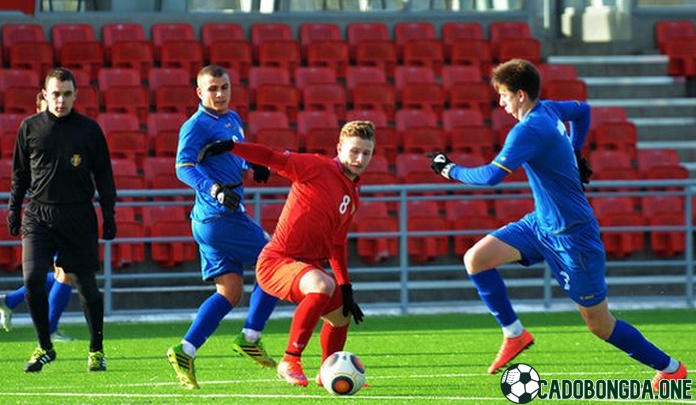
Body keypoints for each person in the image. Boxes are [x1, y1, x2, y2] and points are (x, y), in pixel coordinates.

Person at [429, 59, 688, 390]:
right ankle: (514, 334)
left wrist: (450, 169)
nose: (501, 103)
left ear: (521, 95)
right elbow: (583, 110)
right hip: (541, 225)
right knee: (476, 259)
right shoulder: (549, 110)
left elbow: (492, 176)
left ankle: (671, 368)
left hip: (573, 238)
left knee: (599, 325)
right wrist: (576, 151)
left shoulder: (529, 129)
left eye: (504, 95)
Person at [197, 120, 374, 387]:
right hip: (277, 261)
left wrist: (345, 286)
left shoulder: (353, 195)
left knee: (341, 316)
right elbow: (271, 157)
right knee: (321, 284)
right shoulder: (316, 166)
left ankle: (327, 371)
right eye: (354, 151)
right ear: (339, 147)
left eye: (366, 153)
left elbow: (337, 244)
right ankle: (290, 360)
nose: (360, 159)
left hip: (306, 267)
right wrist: (233, 146)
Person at [167, 65, 279, 390]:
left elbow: (235, 152)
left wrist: (252, 164)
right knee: (275, 261)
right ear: (199, 93)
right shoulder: (195, 125)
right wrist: (214, 188)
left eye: (224, 87)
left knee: (230, 291)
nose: (219, 93)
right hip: (218, 216)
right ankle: (251, 336)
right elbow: (183, 167)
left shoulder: (232, 119)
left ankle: (185, 349)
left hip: (208, 221)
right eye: (212, 88)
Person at [8, 67, 116, 373]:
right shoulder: (29, 128)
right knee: (32, 281)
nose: (61, 100)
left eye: (67, 94)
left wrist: (108, 214)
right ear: (45, 95)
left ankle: (96, 350)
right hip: (38, 215)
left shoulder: (89, 130)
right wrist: (13, 210)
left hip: (78, 215)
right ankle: (44, 346)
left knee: (87, 290)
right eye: (56, 94)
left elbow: (104, 175)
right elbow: (19, 175)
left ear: (75, 95)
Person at [0, 92, 75, 343]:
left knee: (66, 272)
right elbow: (24, 178)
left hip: (65, 213)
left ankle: (11, 301)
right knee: (67, 272)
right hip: (43, 217)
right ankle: (47, 329)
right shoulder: (33, 139)